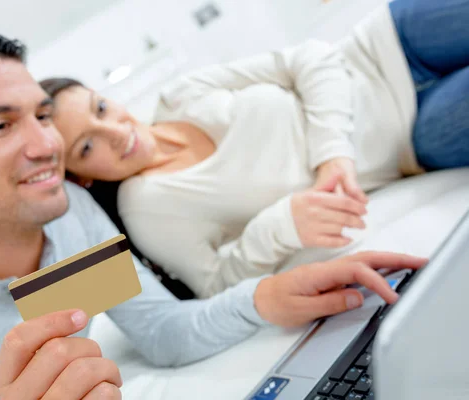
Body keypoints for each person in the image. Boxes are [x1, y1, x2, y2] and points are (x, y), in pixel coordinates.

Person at [0, 28, 427, 400]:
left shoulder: (64, 219)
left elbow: (161, 330)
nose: (46, 144)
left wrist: (272, 294)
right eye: (0, 125)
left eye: (41, 115)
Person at [41, 0, 469, 299]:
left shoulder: (180, 95)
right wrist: (281, 224)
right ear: (83, 177)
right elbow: (215, 284)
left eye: (100, 108)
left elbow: (311, 58)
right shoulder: (149, 208)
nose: (113, 130)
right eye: (87, 145)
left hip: (384, 43)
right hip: (412, 135)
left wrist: (331, 155)